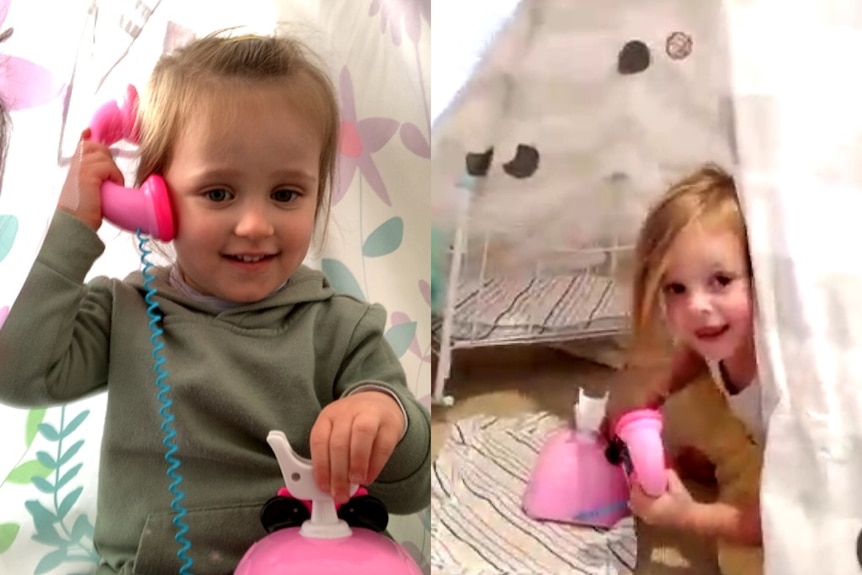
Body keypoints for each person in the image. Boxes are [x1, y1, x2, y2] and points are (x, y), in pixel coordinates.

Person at [0, 32, 430, 574]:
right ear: (150, 200)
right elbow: (16, 373)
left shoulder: (341, 327)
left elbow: (411, 486)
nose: (255, 225)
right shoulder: (126, 310)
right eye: (219, 193)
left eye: (286, 194)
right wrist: (72, 229)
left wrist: (383, 414)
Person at [604, 164, 763, 545]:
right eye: (676, 288)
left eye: (721, 281)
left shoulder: (784, 378)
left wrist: (689, 516)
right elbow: (688, 359)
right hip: (762, 437)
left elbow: (782, 521)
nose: (696, 306)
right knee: (701, 406)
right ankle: (733, 464)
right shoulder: (713, 338)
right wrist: (646, 401)